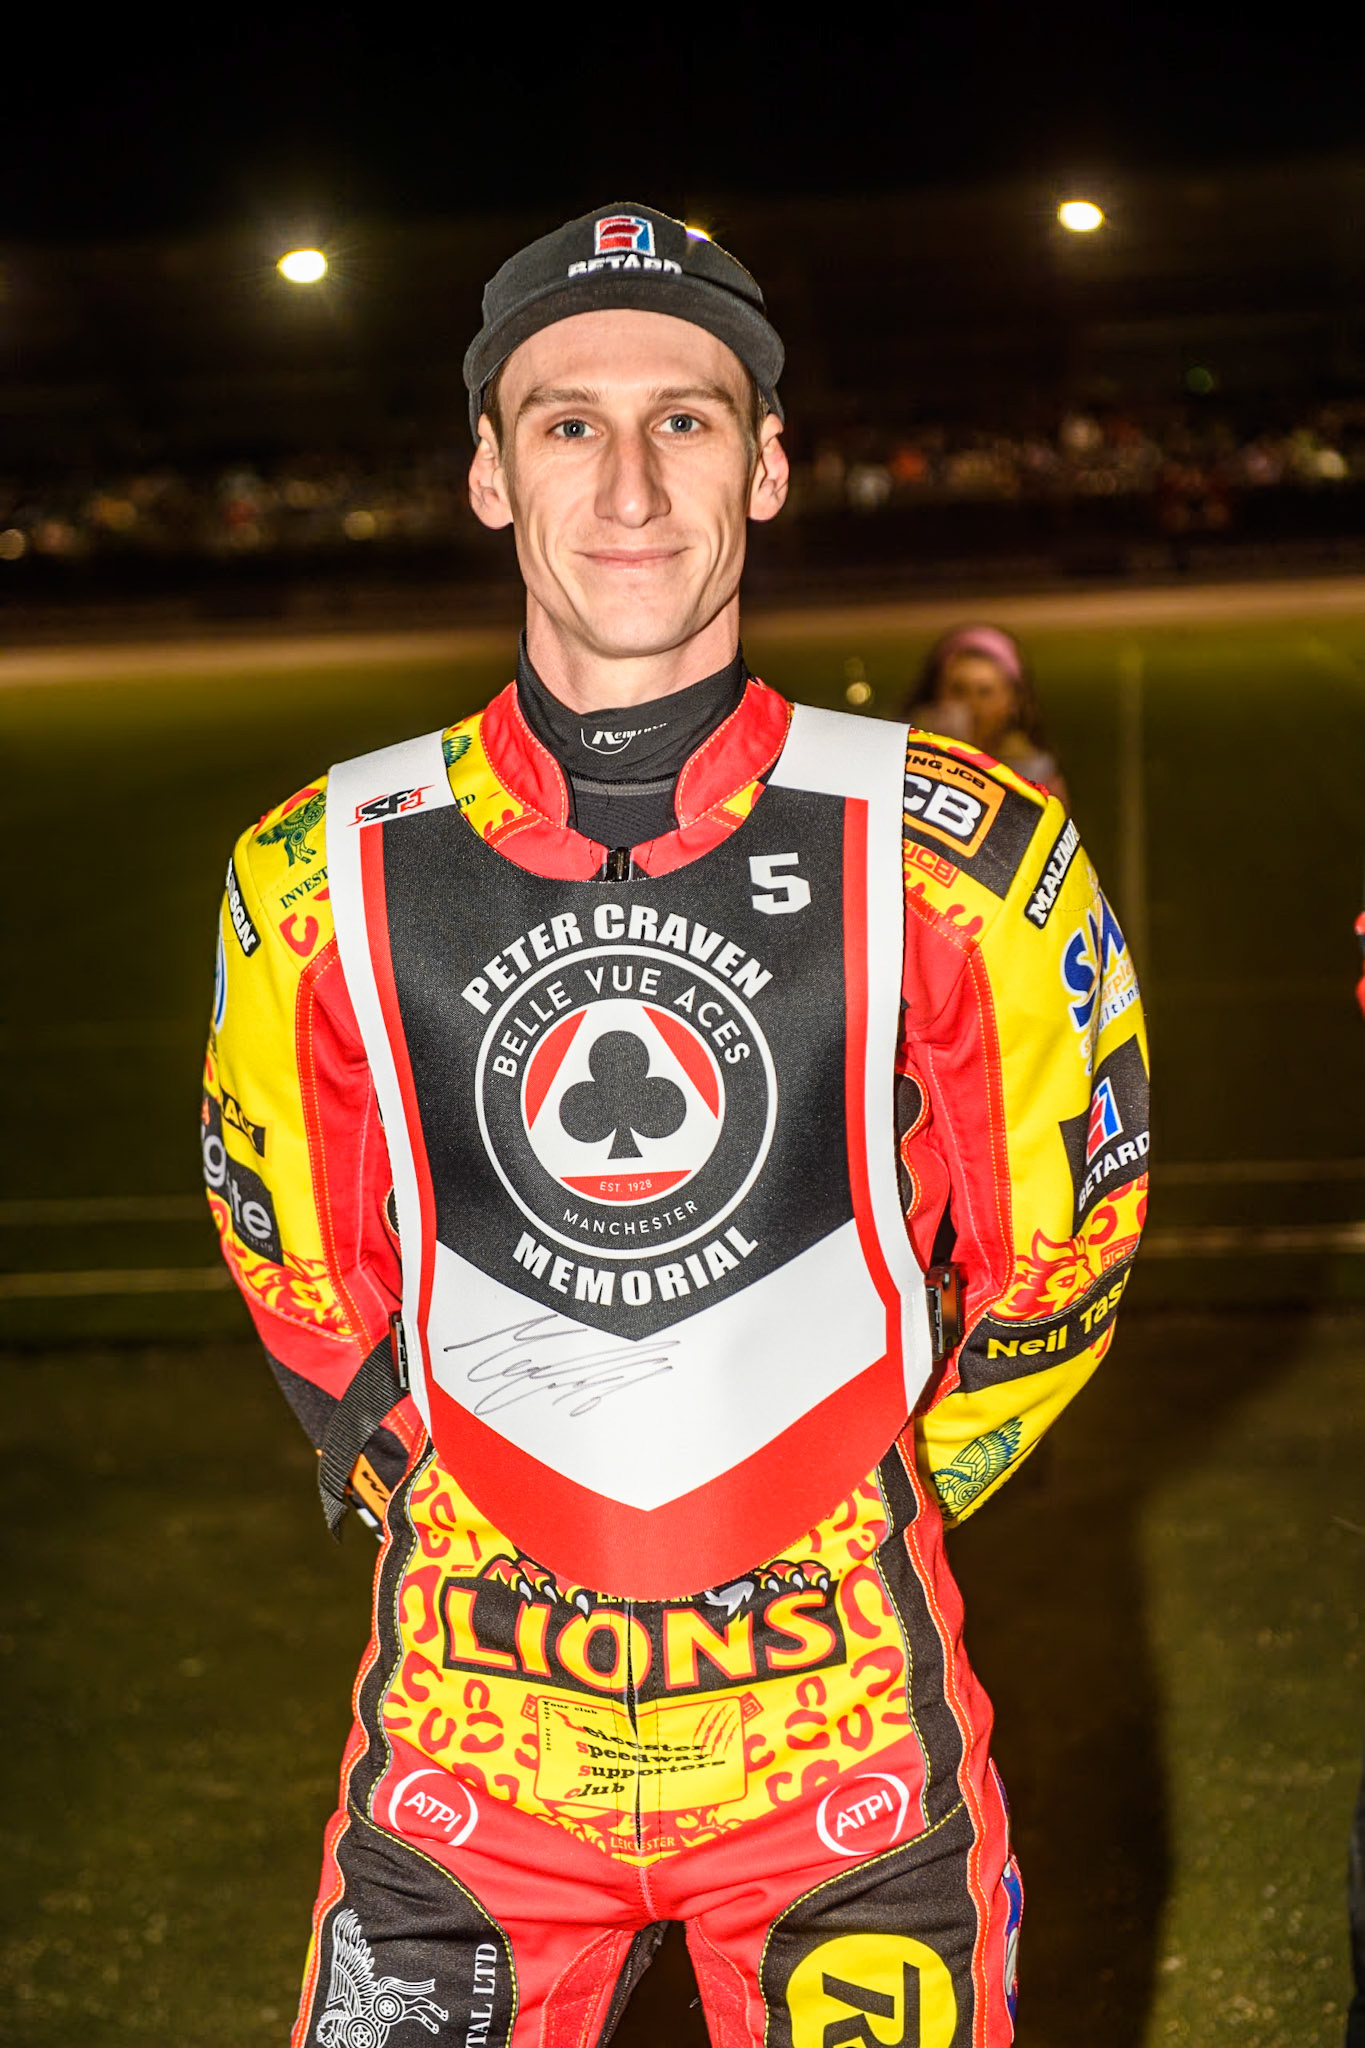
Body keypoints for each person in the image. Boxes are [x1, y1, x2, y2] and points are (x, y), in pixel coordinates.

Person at [204, 203, 1149, 2048]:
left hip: (844, 1740)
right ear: (487, 471)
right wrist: (453, 1501)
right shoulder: (312, 868)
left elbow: (1071, 1243)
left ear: (769, 464)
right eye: (567, 421)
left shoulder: (964, 850)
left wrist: (864, 1499)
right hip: (466, 1755)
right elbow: (297, 1259)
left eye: (688, 419)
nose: (628, 480)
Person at [907, 625, 1069, 805]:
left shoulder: (1036, 776)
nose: (971, 704)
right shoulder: (909, 759)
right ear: (936, 694)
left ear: (1013, 702)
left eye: (984, 692)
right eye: (958, 690)